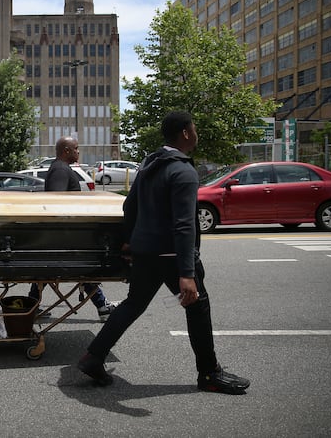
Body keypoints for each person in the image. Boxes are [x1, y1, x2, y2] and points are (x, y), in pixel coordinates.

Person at [77, 111, 250, 395]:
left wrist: (131, 241)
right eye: (194, 128)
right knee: (197, 308)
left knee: (133, 304)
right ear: (185, 133)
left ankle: (93, 357)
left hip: (146, 252)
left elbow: (128, 207)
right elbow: (184, 225)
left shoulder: (149, 165)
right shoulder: (182, 171)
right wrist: (187, 274)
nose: (196, 133)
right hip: (171, 256)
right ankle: (209, 373)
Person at [30, 136, 119, 321]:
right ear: (67, 151)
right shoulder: (61, 170)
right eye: (76, 148)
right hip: (65, 235)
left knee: (50, 271)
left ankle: (31, 306)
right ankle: (102, 306)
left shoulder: (60, 168)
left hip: (64, 235)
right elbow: (57, 203)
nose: (79, 152)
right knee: (85, 268)